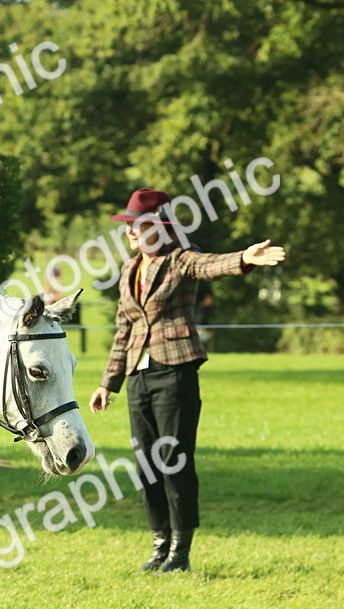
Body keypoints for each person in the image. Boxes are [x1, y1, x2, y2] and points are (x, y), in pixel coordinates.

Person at [89, 188, 285, 572]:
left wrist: (245, 258)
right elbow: (122, 332)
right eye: (128, 225)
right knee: (146, 464)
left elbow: (209, 265)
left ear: (161, 228)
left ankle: (180, 551)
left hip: (174, 374)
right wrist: (107, 384)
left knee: (173, 462)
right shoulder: (129, 271)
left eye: (138, 225)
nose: (130, 232)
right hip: (138, 379)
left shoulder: (179, 260)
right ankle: (159, 544)